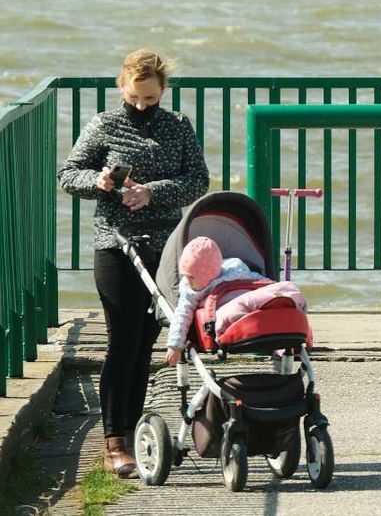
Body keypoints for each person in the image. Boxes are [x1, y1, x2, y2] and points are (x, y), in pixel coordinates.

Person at [57, 50, 209, 477]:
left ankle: (134, 429)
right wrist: (100, 181)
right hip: (115, 243)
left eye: (151, 99)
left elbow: (197, 181)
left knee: (144, 342)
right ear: (121, 87)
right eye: (135, 98)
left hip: (166, 245)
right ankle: (114, 441)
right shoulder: (104, 125)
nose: (142, 107)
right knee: (121, 339)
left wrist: (152, 192)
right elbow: (69, 175)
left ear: (163, 91)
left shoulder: (178, 126)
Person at [165, 236, 258, 365]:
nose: (186, 281)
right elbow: (182, 315)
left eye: (191, 277)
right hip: (224, 322)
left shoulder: (237, 274)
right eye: (184, 276)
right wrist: (175, 345)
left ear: (207, 275)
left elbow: (257, 282)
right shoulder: (190, 291)